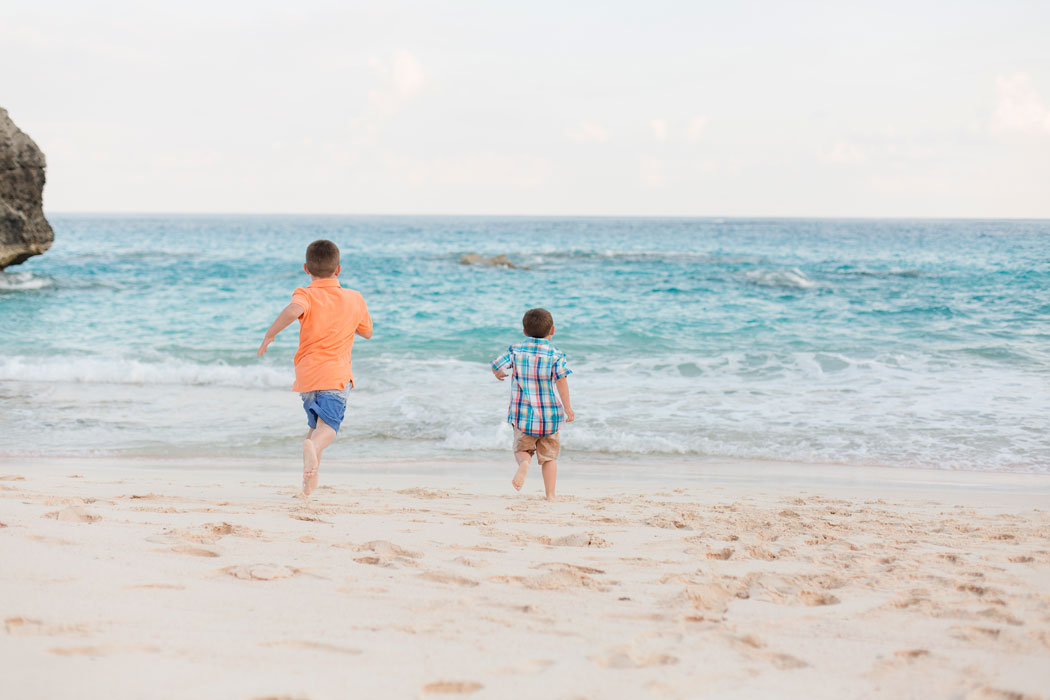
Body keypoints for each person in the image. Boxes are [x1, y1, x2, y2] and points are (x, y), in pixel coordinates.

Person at [257, 239, 372, 496]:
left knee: (314, 429)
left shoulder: (305, 293)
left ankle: (308, 482)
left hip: (308, 377)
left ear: (306, 268)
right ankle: (312, 451)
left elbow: (293, 310)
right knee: (327, 429)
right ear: (338, 270)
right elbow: (367, 332)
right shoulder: (354, 297)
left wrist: (270, 334)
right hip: (335, 377)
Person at [491, 308, 574, 501]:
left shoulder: (516, 351)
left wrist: (498, 373)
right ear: (552, 330)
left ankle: (524, 464)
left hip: (522, 417)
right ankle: (551, 495)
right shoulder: (555, 355)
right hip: (549, 418)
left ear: (524, 332)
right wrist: (568, 408)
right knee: (549, 457)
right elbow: (561, 380)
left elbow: (496, 363)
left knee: (522, 450)